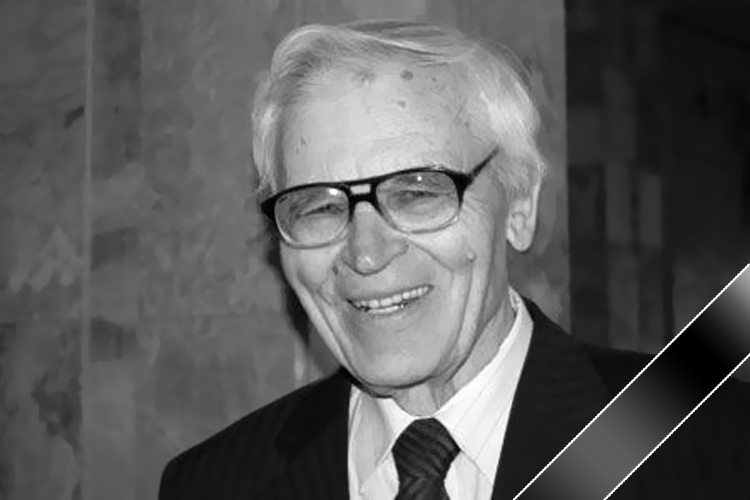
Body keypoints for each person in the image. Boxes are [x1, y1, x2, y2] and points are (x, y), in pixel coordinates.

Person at [158, 20, 750, 500]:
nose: (365, 253)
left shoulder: (706, 444)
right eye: (319, 206)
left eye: (418, 193)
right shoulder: (214, 484)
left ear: (520, 205)